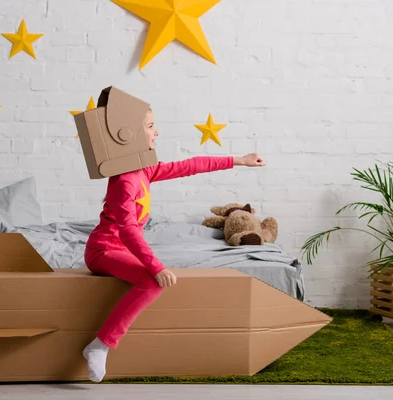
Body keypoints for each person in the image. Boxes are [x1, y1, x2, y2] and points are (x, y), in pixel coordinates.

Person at [82, 108, 266, 382]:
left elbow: (190, 165)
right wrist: (156, 266)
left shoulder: (145, 170)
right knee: (152, 281)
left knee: (152, 279)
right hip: (103, 250)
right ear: (130, 136)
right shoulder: (123, 180)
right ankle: (100, 345)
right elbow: (128, 230)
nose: (157, 132)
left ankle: (101, 344)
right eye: (150, 126)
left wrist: (238, 160)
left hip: (120, 250)